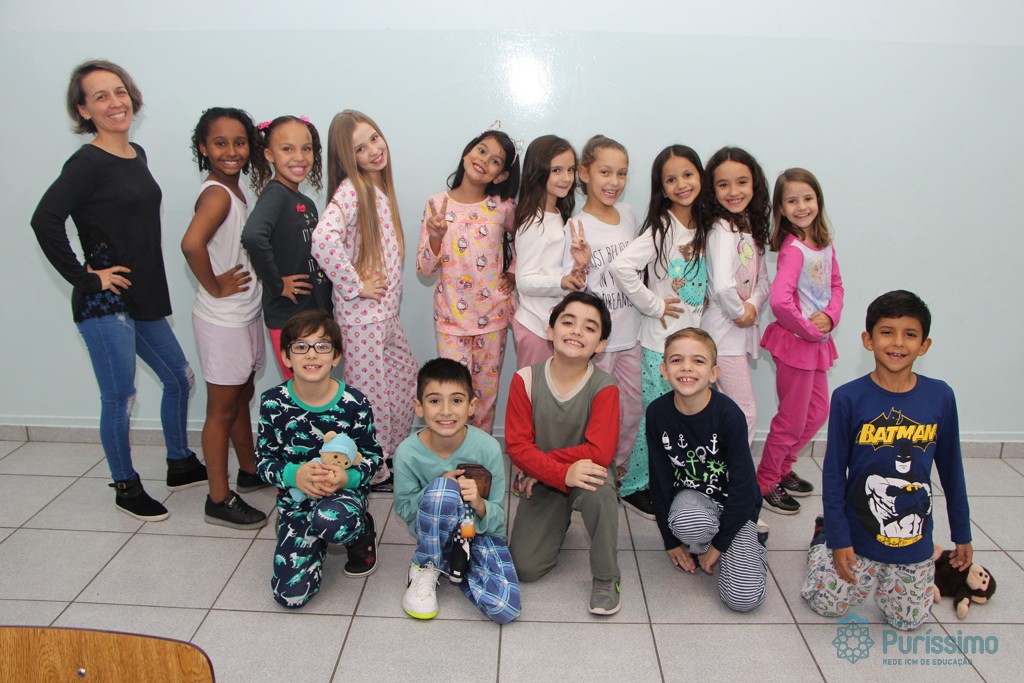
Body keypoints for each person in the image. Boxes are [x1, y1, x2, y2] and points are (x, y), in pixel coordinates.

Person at [31, 60, 203, 521]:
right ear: (83, 110)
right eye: (100, 96)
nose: (115, 102)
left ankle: (180, 462)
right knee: (121, 397)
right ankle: (125, 486)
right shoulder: (86, 163)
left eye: (120, 91)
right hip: (104, 303)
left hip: (142, 295)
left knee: (180, 378)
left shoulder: (136, 154)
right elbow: (45, 220)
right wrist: (87, 278)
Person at [801, 290, 972, 631]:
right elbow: (833, 475)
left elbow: (952, 470)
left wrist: (962, 533)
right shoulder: (848, 397)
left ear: (924, 345)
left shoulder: (940, 396)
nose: (898, 343)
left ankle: (914, 566)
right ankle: (822, 539)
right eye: (887, 332)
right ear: (868, 340)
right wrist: (838, 539)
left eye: (910, 334)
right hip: (857, 535)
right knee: (826, 605)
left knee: (907, 621)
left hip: (912, 541)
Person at [311, 110, 416, 491]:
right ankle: (373, 469)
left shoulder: (376, 189)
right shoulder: (352, 190)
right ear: (347, 158)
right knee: (372, 399)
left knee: (403, 380)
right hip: (362, 320)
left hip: (383, 316)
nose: (373, 150)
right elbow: (323, 240)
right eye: (360, 148)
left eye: (374, 138)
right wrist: (355, 285)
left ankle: (388, 455)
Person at [255, 310, 383, 608]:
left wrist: (348, 478)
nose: (311, 354)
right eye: (300, 346)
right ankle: (303, 532)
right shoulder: (272, 402)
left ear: (336, 356)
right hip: (296, 499)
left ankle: (360, 534)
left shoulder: (355, 403)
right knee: (290, 596)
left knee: (333, 522)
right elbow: (262, 462)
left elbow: (374, 457)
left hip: (343, 496)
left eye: (322, 346)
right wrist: (294, 475)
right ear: (286, 356)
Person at [181, 107, 271, 529]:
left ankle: (249, 471)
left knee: (242, 393)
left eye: (239, 142)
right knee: (220, 409)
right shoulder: (217, 194)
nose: (231, 151)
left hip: (243, 313)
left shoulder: (235, 190)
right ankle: (217, 498)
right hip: (223, 319)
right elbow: (191, 244)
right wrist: (215, 285)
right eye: (220, 143)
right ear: (203, 147)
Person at [609, 145, 710, 520]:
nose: (681, 184)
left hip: (692, 342)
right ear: (662, 188)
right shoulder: (662, 227)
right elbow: (621, 267)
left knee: (681, 415)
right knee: (658, 416)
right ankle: (634, 486)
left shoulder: (703, 227)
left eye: (688, 174)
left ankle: (665, 479)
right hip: (658, 345)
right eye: (671, 179)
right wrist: (653, 304)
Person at [506, 291, 622, 616]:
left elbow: (600, 452)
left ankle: (607, 577)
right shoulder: (525, 380)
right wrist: (556, 474)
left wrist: (552, 469)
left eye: (589, 327)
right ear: (550, 330)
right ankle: (559, 519)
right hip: (544, 480)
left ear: (601, 344)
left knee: (600, 490)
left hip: (582, 474)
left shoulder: (605, 387)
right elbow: (517, 447)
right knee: (525, 568)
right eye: (568, 322)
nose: (576, 331)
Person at [646, 328, 766, 612]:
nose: (686, 367)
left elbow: (744, 488)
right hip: (693, 503)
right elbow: (660, 480)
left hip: (736, 506)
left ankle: (749, 543)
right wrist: (670, 542)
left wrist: (719, 546)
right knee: (687, 520)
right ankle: (704, 539)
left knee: (743, 600)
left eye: (698, 361)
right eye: (677, 360)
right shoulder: (657, 413)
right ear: (664, 370)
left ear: (714, 373)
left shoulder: (729, 415)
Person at [393, 358, 521, 623]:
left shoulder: (488, 448)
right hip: (430, 533)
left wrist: (479, 504)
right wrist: (437, 488)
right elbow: (404, 510)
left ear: (472, 406)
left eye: (456, 400)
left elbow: (499, 518)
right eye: (434, 401)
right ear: (419, 406)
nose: (446, 411)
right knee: (443, 490)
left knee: (504, 608)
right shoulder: (406, 453)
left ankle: (456, 563)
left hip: (478, 534)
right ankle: (427, 565)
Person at [416, 126, 521, 433]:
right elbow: (424, 269)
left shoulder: (503, 207)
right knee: (453, 395)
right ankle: (452, 450)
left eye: (495, 161)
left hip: (493, 316)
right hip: (451, 319)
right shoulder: (436, 204)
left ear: (501, 176)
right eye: (481, 150)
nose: (484, 160)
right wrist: (436, 237)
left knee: (485, 397)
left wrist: (513, 271)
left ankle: (480, 452)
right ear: (467, 153)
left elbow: (527, 239)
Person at [757, 169, 844, 515]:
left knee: (818, 411)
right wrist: (809, 328)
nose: (801, 206)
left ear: (818, 200)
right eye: (792, 201)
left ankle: (783, 467)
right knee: (791, 419)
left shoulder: (824, 244)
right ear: (781, 209)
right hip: (796, 345)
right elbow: (780, 302)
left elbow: (836, 285)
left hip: (816, 344)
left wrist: (831, 316)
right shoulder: (793, 250)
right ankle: (766, 481)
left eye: (807, 198)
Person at [508, 134, 590, 495]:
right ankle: (525, 470)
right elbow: (525, 280)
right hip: (534, 325)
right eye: (557, 169)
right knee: (532, 404)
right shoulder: (532, 220)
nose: (566, 177)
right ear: (538, 171)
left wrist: (578, 268)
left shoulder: (561, 216)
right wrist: (562, 281)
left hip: (551, 324)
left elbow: (561, 273)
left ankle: (546, 468)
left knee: (552, 403)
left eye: (570, 169)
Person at [564, 135, 642, 500]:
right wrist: (579, 267)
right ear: (585, 173)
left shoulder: (628, 214)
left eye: (622, 173)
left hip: (632, 334)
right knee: (594, 412)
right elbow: (572, 288)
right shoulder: (576, 226)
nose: (614, 181)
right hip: (598, 343)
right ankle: (591, 468)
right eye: (605, 172)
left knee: (633, 406)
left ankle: (619, 465)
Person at [241, 115, 332, 379]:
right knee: (303, 391)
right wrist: (277, 284)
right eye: (287, 149)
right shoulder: (276, 194)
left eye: (306, 148)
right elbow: (253, 236)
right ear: (269, 155)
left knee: (317, 391)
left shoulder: (305, 202)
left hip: (314, 317)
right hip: (291, 320)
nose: (299, 157)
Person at [700, 147, 771, 444]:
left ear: (754, 184)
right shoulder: (720, 229)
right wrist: (740, 312)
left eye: (742, 182)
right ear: (712, 189)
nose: (733, 192)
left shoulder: (749, 227)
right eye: (723, 184)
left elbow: (763, 280)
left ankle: (725, 466)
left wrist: (752, 305)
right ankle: (738, 469)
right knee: (744, 411)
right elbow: (721, 286)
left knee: (729, 410)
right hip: (722, 333)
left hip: (737, 330)